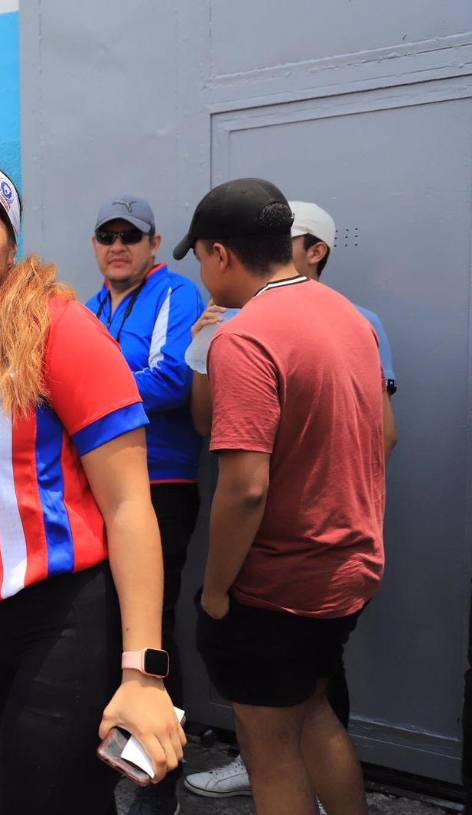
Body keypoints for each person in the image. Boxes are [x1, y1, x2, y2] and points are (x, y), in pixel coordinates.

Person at [0, 156, 184, 814]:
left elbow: (129, 504)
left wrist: (143, 672)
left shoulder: (57, 327)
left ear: (11, 235)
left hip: (69, 619)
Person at [174, 178, 389, 815]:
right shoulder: (345, 313)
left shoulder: (243, 338)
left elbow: (245, 489)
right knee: (316, 712)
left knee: (269, 751)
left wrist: (215, 592)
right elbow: (385, 432)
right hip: (346, 569)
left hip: (277, 585)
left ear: (220, 254)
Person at [84, 194, 204, 815]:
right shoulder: (92, 305)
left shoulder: (174, 295)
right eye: (107, 236)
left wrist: (90, 390)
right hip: (103, 486)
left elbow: (174, 379)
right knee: (113, 629)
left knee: (151, 636)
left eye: (131, 236)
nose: (118, 246)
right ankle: (120, 757)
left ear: (154, 244)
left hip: (162, 486)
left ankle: (157, 783)